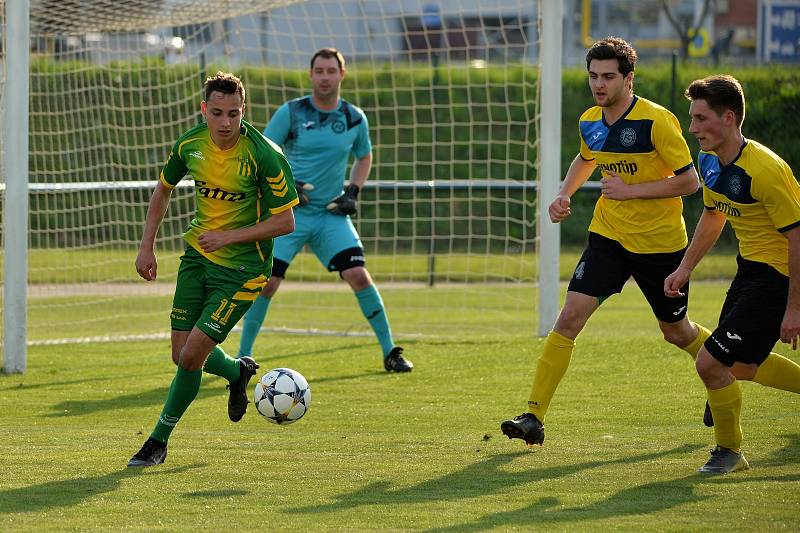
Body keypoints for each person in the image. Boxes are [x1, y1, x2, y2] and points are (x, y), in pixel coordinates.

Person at [500, 36, 709, 446]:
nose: (599, 84)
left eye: (609, 77)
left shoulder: (656, 121)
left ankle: (720, 368)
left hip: (659, 245)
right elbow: (585, 157)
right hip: (608, 237)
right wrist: (564, 194)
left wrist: (632, 190)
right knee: (569, 319)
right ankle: (533, 417)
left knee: (677, 333)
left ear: (629, 79)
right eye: (594, 76)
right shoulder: (590, 120)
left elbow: (689, 181)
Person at [128, 72, 299, 467]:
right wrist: (146, 246)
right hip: (197, 258)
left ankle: (157, 441)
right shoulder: (190, 145)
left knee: (190, 358)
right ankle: (237, 372)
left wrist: (228, 237)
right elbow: (163, 189)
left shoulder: (265, 155)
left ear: (245, 111)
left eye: (234, 114)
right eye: (217, 113)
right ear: (204, 110)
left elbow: (286, 222)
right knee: (180, 354)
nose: (226, 123)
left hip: (243, 271)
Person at [237, 48, 413, 373]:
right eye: (319, 71)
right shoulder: (291, 112)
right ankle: (243, 357)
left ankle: (390, 351)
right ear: (310, 74)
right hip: (290, 215)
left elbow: (364, 156)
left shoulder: (354, 118)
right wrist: (287, 184)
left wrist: (353, 191)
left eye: (331, 71)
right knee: (268, 283)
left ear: (341, 75)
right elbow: (263, 154)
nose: (325, 77)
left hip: (331, 215)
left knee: (359, 276)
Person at [665, 74, 800, 473]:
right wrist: (684, 268)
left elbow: (798, 240)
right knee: (737, 366)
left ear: (728, 118)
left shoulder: (765, 170)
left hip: (779, 278)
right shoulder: (709, 161)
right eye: (691, 118)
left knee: (710, 364)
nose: (693, 129)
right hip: (749, 272)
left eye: (701, 119)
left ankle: (729, 451)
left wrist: (794, 309)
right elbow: (713, 214)